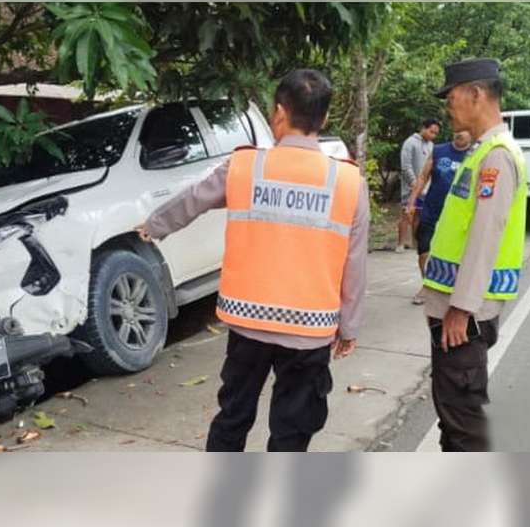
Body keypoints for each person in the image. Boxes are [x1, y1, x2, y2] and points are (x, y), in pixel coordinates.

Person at [137, 69, 368, 452]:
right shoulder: (348, 183)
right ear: (324, 119)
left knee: (232, 418)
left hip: (249, 326)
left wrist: (153, 226)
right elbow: (355, 262)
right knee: (293, 430)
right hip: (309, 332)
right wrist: (350, 325)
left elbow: (194, 199)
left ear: (279, 112)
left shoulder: (245, 167)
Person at [421, 58, 527, 451]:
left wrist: (461, 308)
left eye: (451, 96)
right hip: (457, 309)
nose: (447, 105)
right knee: (452, 410)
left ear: (476, 95)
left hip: (464, 315)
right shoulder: (483, 151)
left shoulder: (496, 156)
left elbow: (485, 237)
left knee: (463, 418)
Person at [405, 129, 472, 305]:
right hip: (432, 208)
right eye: (457, 130)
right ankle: (427, 286)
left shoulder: (475, 153)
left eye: (463, 131)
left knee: (456, 252)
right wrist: (412, 202)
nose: (459, 133)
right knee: (424, 246)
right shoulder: (439, 150)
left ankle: (454, 287)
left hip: (458, 213)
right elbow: (422, 177)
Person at [397, 119, 439, 252]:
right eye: (431, 131)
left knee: (419, 216)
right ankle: (401, 243)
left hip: (425, 188)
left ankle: (415, 242)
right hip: (411, 186)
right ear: (423, 128)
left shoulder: (431, 145)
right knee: (406, 214)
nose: (433, 135)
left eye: (436, 133)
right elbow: (406, 166)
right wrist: (414, 184)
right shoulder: (410, 143)